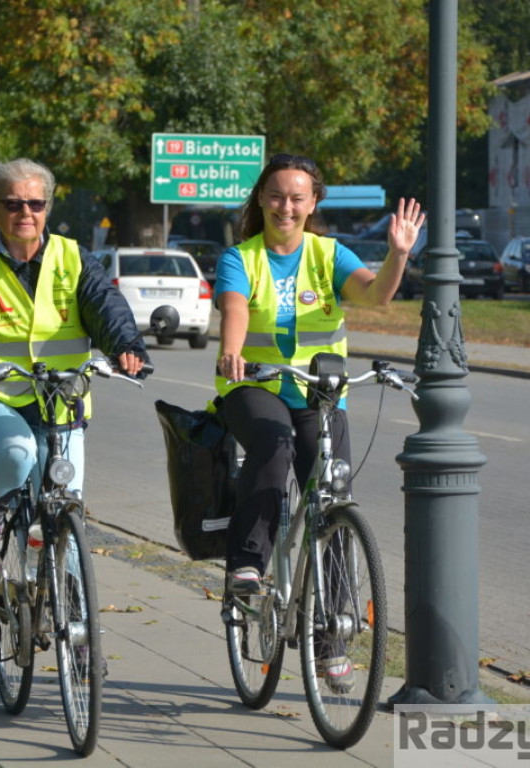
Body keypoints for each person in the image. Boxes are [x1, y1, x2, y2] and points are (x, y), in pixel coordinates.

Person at [214, 154, 424, 688]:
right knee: (275, 444)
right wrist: (232, 351)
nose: (287, 206)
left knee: (332, 500)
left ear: (313, 204)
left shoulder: (328, 253)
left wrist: (398, 256)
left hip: (319, 393)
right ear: (261, 199)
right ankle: (248, 564)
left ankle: (331, 638)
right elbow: (235, 310)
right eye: (277, 195)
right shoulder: (242, 258)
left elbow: (376, 295)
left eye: (298, 197)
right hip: (254, 385)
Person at [0, 158, 150, 586]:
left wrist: (126, 347)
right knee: (16, 452)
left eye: (35, 203)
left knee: (67, 507)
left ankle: (78, 630)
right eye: (12, 204)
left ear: (47, 208)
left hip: (63, 399)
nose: (25, 213)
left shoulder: (72, 257)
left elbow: (105, 306)